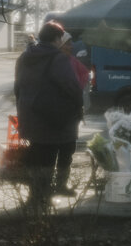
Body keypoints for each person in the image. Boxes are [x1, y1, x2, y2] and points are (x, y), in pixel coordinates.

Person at [14, 21, 83, 208]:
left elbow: (17, 87)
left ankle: (36, 196)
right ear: (57, 38)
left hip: (30, 116)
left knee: (38, 156)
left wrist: (24, 109)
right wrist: (79, 106)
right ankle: (46, 195)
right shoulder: (57, 58)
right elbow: (72, 87)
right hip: (55, 118)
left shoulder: (24, 57)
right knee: (55, 155)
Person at [53, 32, 90, 196]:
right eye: (67, 43)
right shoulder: (54, 64)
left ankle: (61, 184)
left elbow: (82, 79)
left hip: (70, 115)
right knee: (53, 151)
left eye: (70, 43)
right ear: (58, 45)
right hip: (56, 114)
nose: (71, 46)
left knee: (67, 151)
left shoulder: (71, 62)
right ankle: (50, 186)